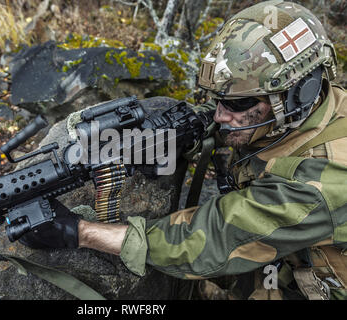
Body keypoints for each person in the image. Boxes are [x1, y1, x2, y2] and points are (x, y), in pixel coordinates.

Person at [20, 0, 347, 300]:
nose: (220, 115)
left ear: (297, 95)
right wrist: (172, 133)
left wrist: (80, 231)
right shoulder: (305, 111)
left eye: (236, 104)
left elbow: (212, 238)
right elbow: (216, 119)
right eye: (218, 101)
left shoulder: (324, 177)